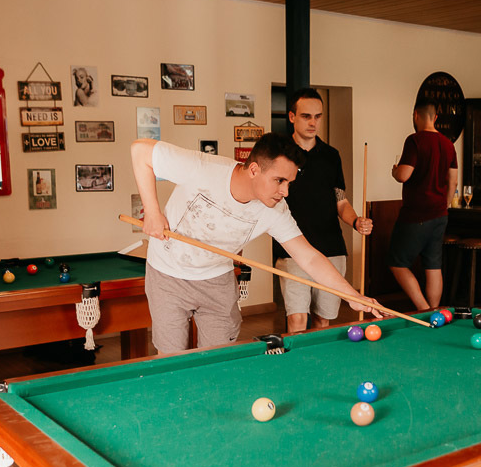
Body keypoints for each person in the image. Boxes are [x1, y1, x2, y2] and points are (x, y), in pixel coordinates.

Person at [131, 132, 380, 353]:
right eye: (279, 181)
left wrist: (351, 295)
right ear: (253, 170)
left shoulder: (275, 210)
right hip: (167, 275)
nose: (285, 192)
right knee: (172, 358)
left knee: (219, 360)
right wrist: (152, 211)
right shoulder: (202, 168)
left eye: (289, 183)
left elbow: (309, 257)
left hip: (217, 280)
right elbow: (140, 151)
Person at [273, 88, 373, 333]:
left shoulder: (331, 156)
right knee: (296, 319)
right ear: (292, 117)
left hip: (331, 249)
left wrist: (356, 221)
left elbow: (341, 201)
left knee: (323, 321)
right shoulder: (278, 154)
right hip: (293, 249)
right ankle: (296, 368)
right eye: (306, 116)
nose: (313, 122)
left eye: (318, 116)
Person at [389, 98, 458, 310]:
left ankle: (424, 310)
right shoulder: (448, 144)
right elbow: (453, 180)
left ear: (416, 115)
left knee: (397, 262)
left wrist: (395, 170)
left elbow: (404, 175)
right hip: (440, 215)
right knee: (433, 265)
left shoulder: (415, 140)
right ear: (435, 117)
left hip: (415, 214)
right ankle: (435, 312)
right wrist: (444, 206)